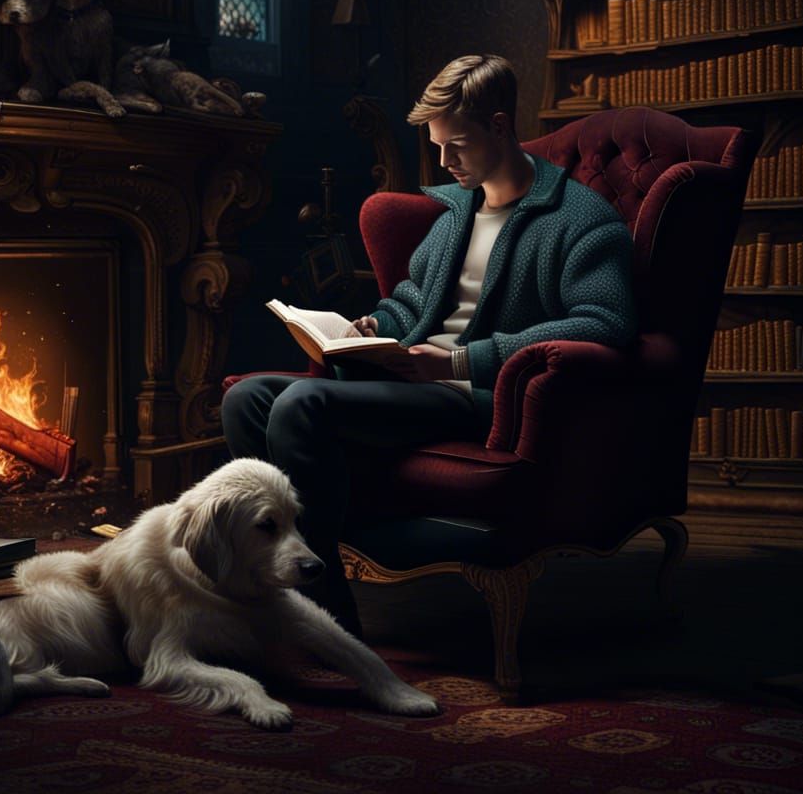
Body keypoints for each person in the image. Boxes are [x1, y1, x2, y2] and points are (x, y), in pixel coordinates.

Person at [221, 54, 636, 633]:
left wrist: (461, 360)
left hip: (476, 395)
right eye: (437, 145)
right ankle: (274, 589)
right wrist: (371, 328)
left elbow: (604, 323)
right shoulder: (454, 215)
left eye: (457, 144)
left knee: (300, 404)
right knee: (245, 400)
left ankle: (325, 618)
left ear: (498, 125)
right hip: (409, 379)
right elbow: (412, 303)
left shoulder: (579, 218)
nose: (445, 161)